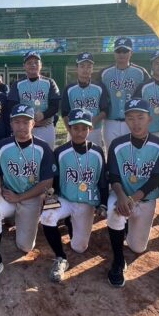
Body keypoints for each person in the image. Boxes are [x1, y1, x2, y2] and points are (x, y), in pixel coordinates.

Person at [0, 104, 55, 288]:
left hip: (30, 197)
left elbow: (47, 182)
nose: (21, 126)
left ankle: (19, 218)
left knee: (25, 246)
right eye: (17, 122)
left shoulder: (43, 148)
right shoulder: (2, 145)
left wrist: (20, 198)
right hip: (8, 194)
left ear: (33, 124)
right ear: (11, 124)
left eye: (25, 122)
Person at [105, 98, 159, 288]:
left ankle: (127, 228)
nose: (136, 123)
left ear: (149, 119)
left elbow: (156, 178)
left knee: (138, 247)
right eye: (130, 118)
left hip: (145, 199)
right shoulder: (117, 144)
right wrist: (122, 197)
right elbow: (114, 176)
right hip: (122, 194)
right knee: (114, 211)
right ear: (125, 120)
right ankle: (118, 261)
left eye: (140, 117)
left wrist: (133, 199)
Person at [41, 108, 108, 282]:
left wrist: (103, 203)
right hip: (64, 199)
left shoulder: (97, 152)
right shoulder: (60, 152)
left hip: (86, 202)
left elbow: (102, 181)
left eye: (84, 128)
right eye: (75, 128)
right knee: (47, 216)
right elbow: (53, 180)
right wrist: (50, 200)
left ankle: (71, 222)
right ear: (69, 128)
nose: (79, 132)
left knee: (79, 247)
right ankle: (60, 257)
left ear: (90, 129)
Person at [100, 38, 150, 149]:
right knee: (111, 152)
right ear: (114, 53)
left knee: (133, 152)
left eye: (125, 51)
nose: (121, 54)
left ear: (131, 53)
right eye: (118, 51)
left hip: (133, 121)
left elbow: (148, 94)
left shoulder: (141, 72)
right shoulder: (104, 73)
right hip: (110, 122)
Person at [7, 51, 61, 148]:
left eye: (36, 62)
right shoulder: (17, 84)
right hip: (25, 128)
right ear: (24, 66)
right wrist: (29, 120)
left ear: (41, 65)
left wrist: (43, 115)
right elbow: (12, 106)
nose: (33, 65)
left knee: (47, 154)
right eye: (29, 63)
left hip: (45, 127)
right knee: (26, 155)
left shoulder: (50, 82)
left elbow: (55, 105)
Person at [60, 52, 110, 148]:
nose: (85, 69)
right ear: (77, 68)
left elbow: (105, 110)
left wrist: (95, 120)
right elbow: (64, 113)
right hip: (74, 130)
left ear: (92, 69)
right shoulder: (69, 89)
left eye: (89, 66)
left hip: (94, 130)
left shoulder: (99, 87)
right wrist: (70, 131)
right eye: (82, 66)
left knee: (95, 154)